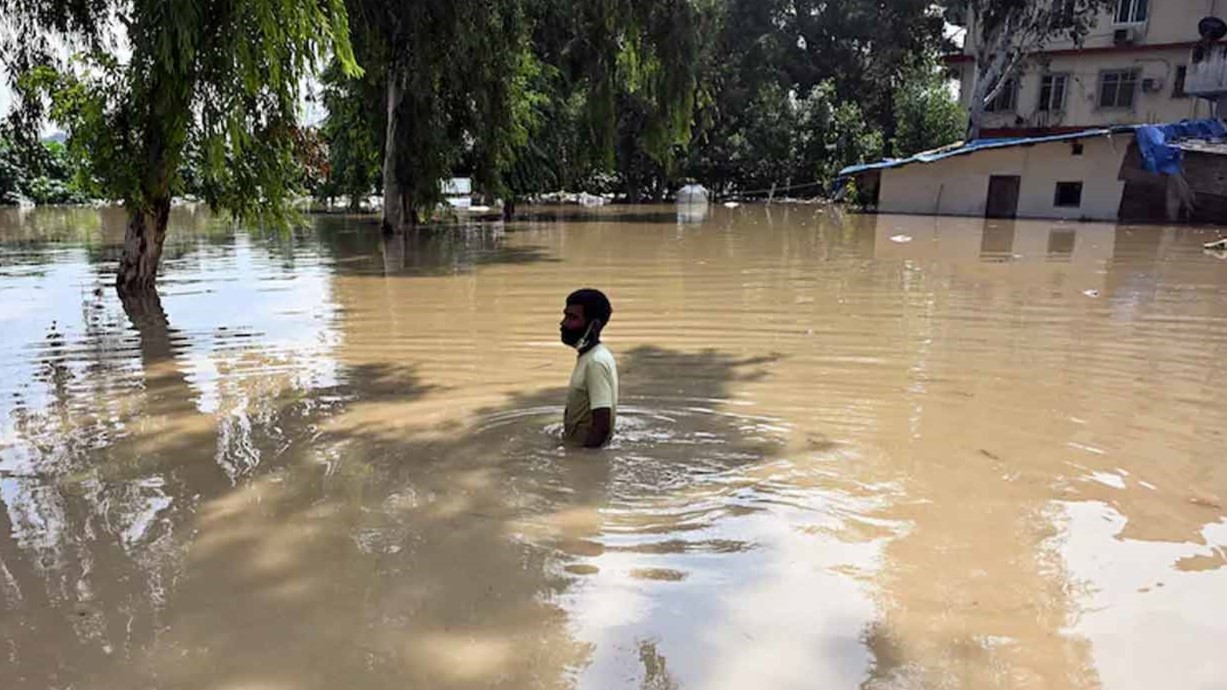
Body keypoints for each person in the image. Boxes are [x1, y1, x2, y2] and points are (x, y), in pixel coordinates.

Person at [559, 288, 618, 448]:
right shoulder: (589, 356)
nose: (563, 323)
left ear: (595, 325)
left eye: (572, 318)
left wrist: (582, 461)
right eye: (565, 315)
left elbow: (601, 427)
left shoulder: (595, 362)